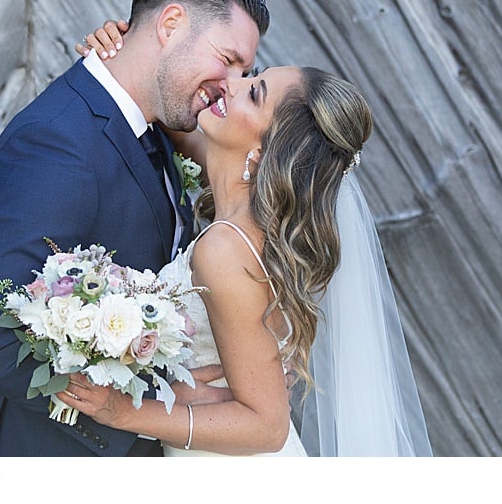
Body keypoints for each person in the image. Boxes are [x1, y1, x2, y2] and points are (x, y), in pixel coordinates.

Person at [61, 25, 433, 456]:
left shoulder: (226, 249)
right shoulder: (246, 210)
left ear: (269, 150)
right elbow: (180, 123)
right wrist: (124, 57)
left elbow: (266, 426)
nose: (229, 85)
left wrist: (123, 412)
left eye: (253, 92)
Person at [0, 0, 270, 457]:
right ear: (170, 25)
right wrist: (159, 402)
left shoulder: (162, 122)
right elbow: (0, 348)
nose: (230, 86)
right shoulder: (57, 142)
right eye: (227, 59)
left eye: (245, 74)